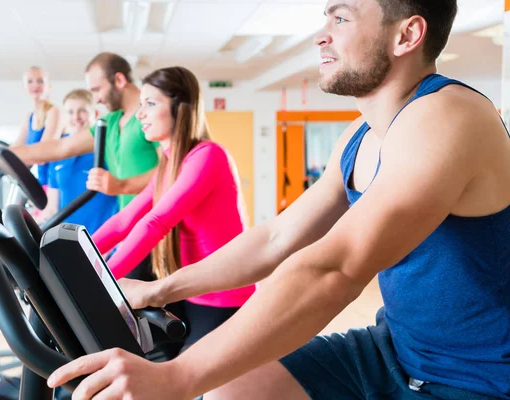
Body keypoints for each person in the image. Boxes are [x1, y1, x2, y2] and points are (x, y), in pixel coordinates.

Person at [47, 0, 510, 399]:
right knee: (233, 388)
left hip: (474, 378)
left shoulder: (451, 116)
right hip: (393, 348)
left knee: (202, 380)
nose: (321, 36)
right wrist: (157, 289)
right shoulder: (361, 135)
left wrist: (177, 378)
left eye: (341, 19)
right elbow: (276, 238)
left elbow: (336, 269)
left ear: (407, 35)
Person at [90, 66, 255, 349]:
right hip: (192, 293)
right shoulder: (168, 166)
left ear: (180, 108)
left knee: (194, 383)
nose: (140, 113)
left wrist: (100, 280)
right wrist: (81, 258)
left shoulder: (207, 156)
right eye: (141, 104)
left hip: (224, 298)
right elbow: (124, 221)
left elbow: (156, 223)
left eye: (151, 104)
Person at [0, 53, 162, 212]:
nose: (96, 99)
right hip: (130, 227)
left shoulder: (152, 115)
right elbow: (62, 147)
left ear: (119, 80)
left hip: (160, 227)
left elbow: (171, 169)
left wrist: (122, 186)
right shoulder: (110, 122)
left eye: (97, 90)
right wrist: (6, 152)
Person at [38, 89, 119, 234]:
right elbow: (52, 209)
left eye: (82, 111)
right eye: (70, 112)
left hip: (105, 242)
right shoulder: (58, 154)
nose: (76, 117)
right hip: (68, 241)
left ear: (95, 113)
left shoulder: (109, 147)